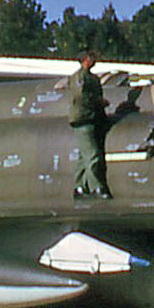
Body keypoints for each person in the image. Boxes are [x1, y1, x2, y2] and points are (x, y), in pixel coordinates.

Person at [68, 50, 112, 199]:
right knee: (93, 155)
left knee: (84, 157)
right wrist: (99, 102)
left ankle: (80, 187)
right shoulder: (79, 77)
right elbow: (81, 97)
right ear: (86, 59)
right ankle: (96, 188)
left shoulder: (92, 78)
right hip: (83, 119)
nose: (95, 60)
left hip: (93, 119)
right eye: (92, 57)